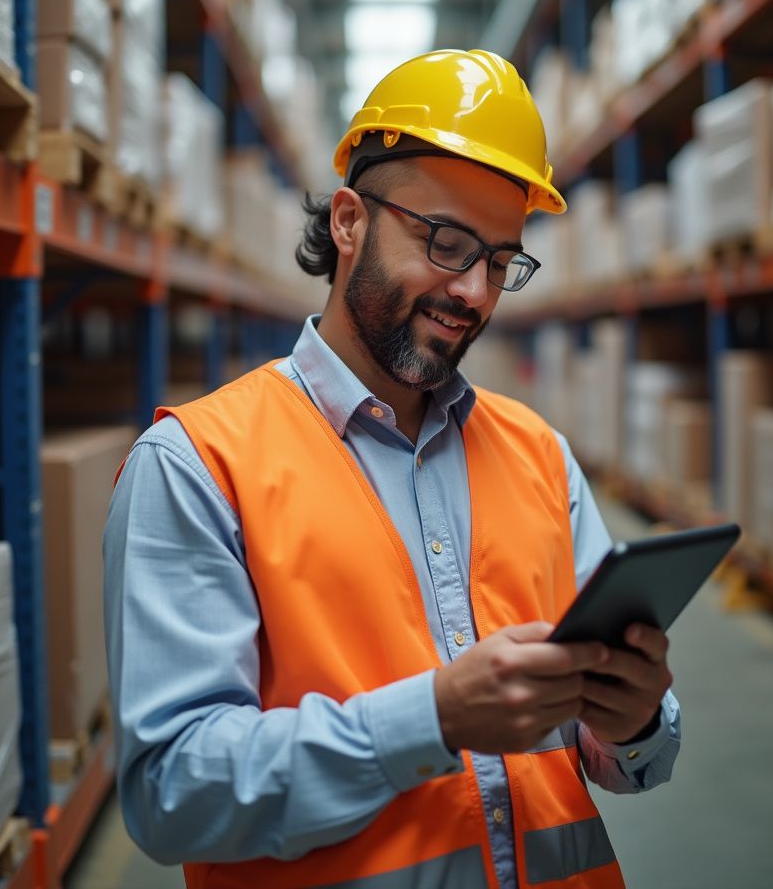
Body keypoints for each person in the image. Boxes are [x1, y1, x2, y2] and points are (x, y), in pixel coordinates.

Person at [103, 49, 680, 889]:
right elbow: (170, 793)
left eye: (500, 261)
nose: (476, 292)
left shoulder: (541, 457)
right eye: (447, 243)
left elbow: (632, 757)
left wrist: (633, 724)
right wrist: (434, 718)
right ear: (348, 222)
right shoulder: (200, 466)